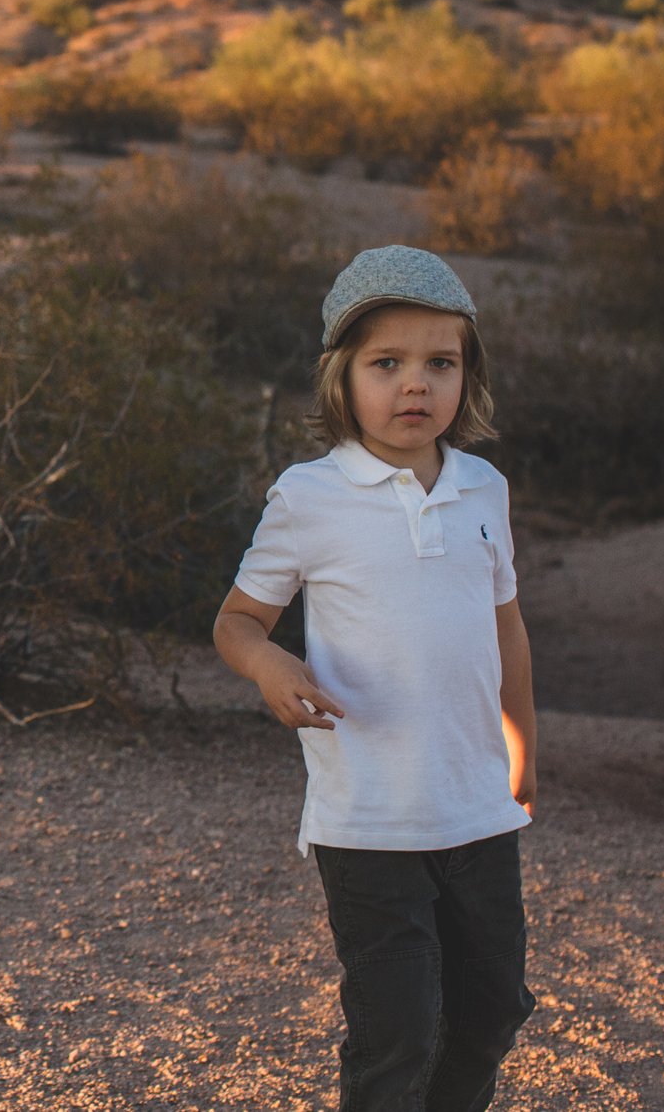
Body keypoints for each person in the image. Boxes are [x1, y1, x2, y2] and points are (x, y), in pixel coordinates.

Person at [212, 246, 539, 1112]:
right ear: (341, 377)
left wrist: (523, 746)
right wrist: (271, 662)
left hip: (477, 811)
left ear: (469, 374)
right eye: (386, 363)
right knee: (396, 1028)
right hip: (369, 824)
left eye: (441, 363)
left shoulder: (484, 489)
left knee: (493, 1007)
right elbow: (236, 621)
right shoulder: (309, 495)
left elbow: (505, 623)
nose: (415, 386)